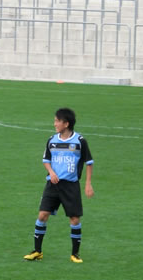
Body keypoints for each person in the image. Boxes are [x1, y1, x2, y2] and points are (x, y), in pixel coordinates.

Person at [23, 107, 94, 263]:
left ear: (66, 124)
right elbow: (46, 160)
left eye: (57, 121)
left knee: (74, 219)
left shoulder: (80, 141)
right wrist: (51, 172)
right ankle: (37, 251)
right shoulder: (52, 140)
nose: (54, 124)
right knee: (42, 215)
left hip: (71, 186)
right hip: (52, 185)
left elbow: (89, 163)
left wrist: (88, 184)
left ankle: (75, 254)